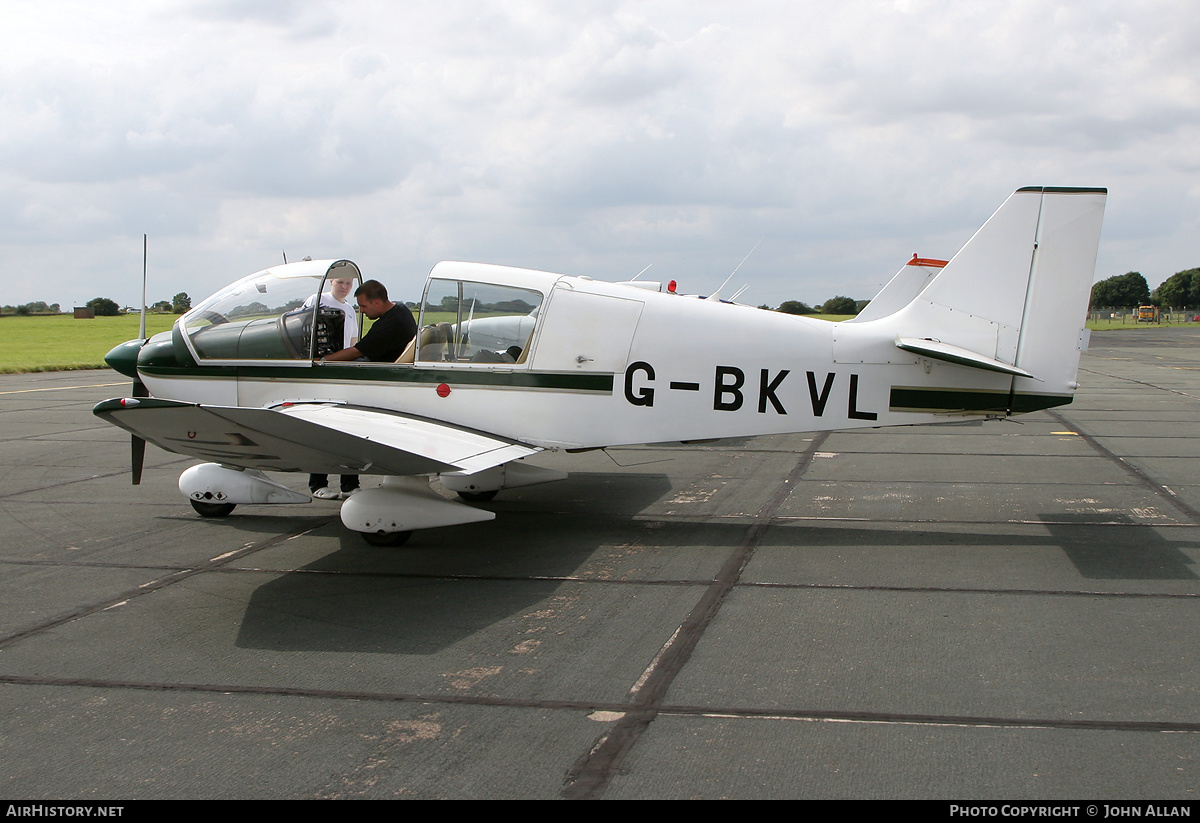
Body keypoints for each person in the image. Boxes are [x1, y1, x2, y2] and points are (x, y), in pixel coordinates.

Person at [311, 280, 417, 500]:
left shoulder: (389, 325)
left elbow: (357, 351)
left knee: (335, 432)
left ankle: (328, 483)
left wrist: (322, 360)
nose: (361, 311)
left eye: (364, 307)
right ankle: (343, 485)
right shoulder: (401, 310)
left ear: (377, 302)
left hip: (371, 386)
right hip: (379, 382)